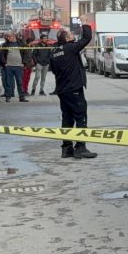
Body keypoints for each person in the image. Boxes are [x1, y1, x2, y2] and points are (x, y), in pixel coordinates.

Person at [49, 16, 97, 159]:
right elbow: (86, 38)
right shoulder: (70, 48)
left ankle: (66, 148)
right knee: (81, 117)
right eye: (70, 35)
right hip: (74, 89)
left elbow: (54, 70)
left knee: (67, 119)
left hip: (62, 90)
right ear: (67, 39)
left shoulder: (54, 52)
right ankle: (81, 147)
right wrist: (86, 24)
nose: (73, 37)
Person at [0, 31, 29, 102]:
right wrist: (4, 63)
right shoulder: (5, 45)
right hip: (9, 66)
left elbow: (26, 54)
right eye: (7, 36)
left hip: (18, 66)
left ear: (13, 36)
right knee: (9, 82)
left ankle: (22, 97)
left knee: (20, 82)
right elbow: (1, 54)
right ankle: (8, 96)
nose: (8, 38)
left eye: (9, 36)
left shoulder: (21, 44)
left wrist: (24, 63)